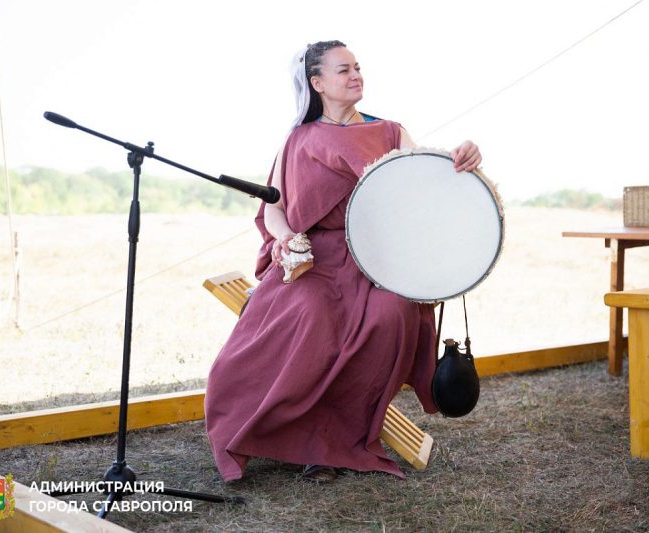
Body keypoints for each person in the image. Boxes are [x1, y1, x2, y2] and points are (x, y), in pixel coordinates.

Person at [204, 40, 482, 482]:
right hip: (316, 258)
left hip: (379, 260)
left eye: (357, 67)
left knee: (391, 314)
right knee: (311, 315)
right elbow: (273, 206)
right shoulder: (299, 139)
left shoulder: (390, 131)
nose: (355, 75)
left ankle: (341, 438)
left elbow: (427, 174)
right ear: (317, 83)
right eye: (342, 70)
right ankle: (297, 437)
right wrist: (285, 237)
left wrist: (462, 156)